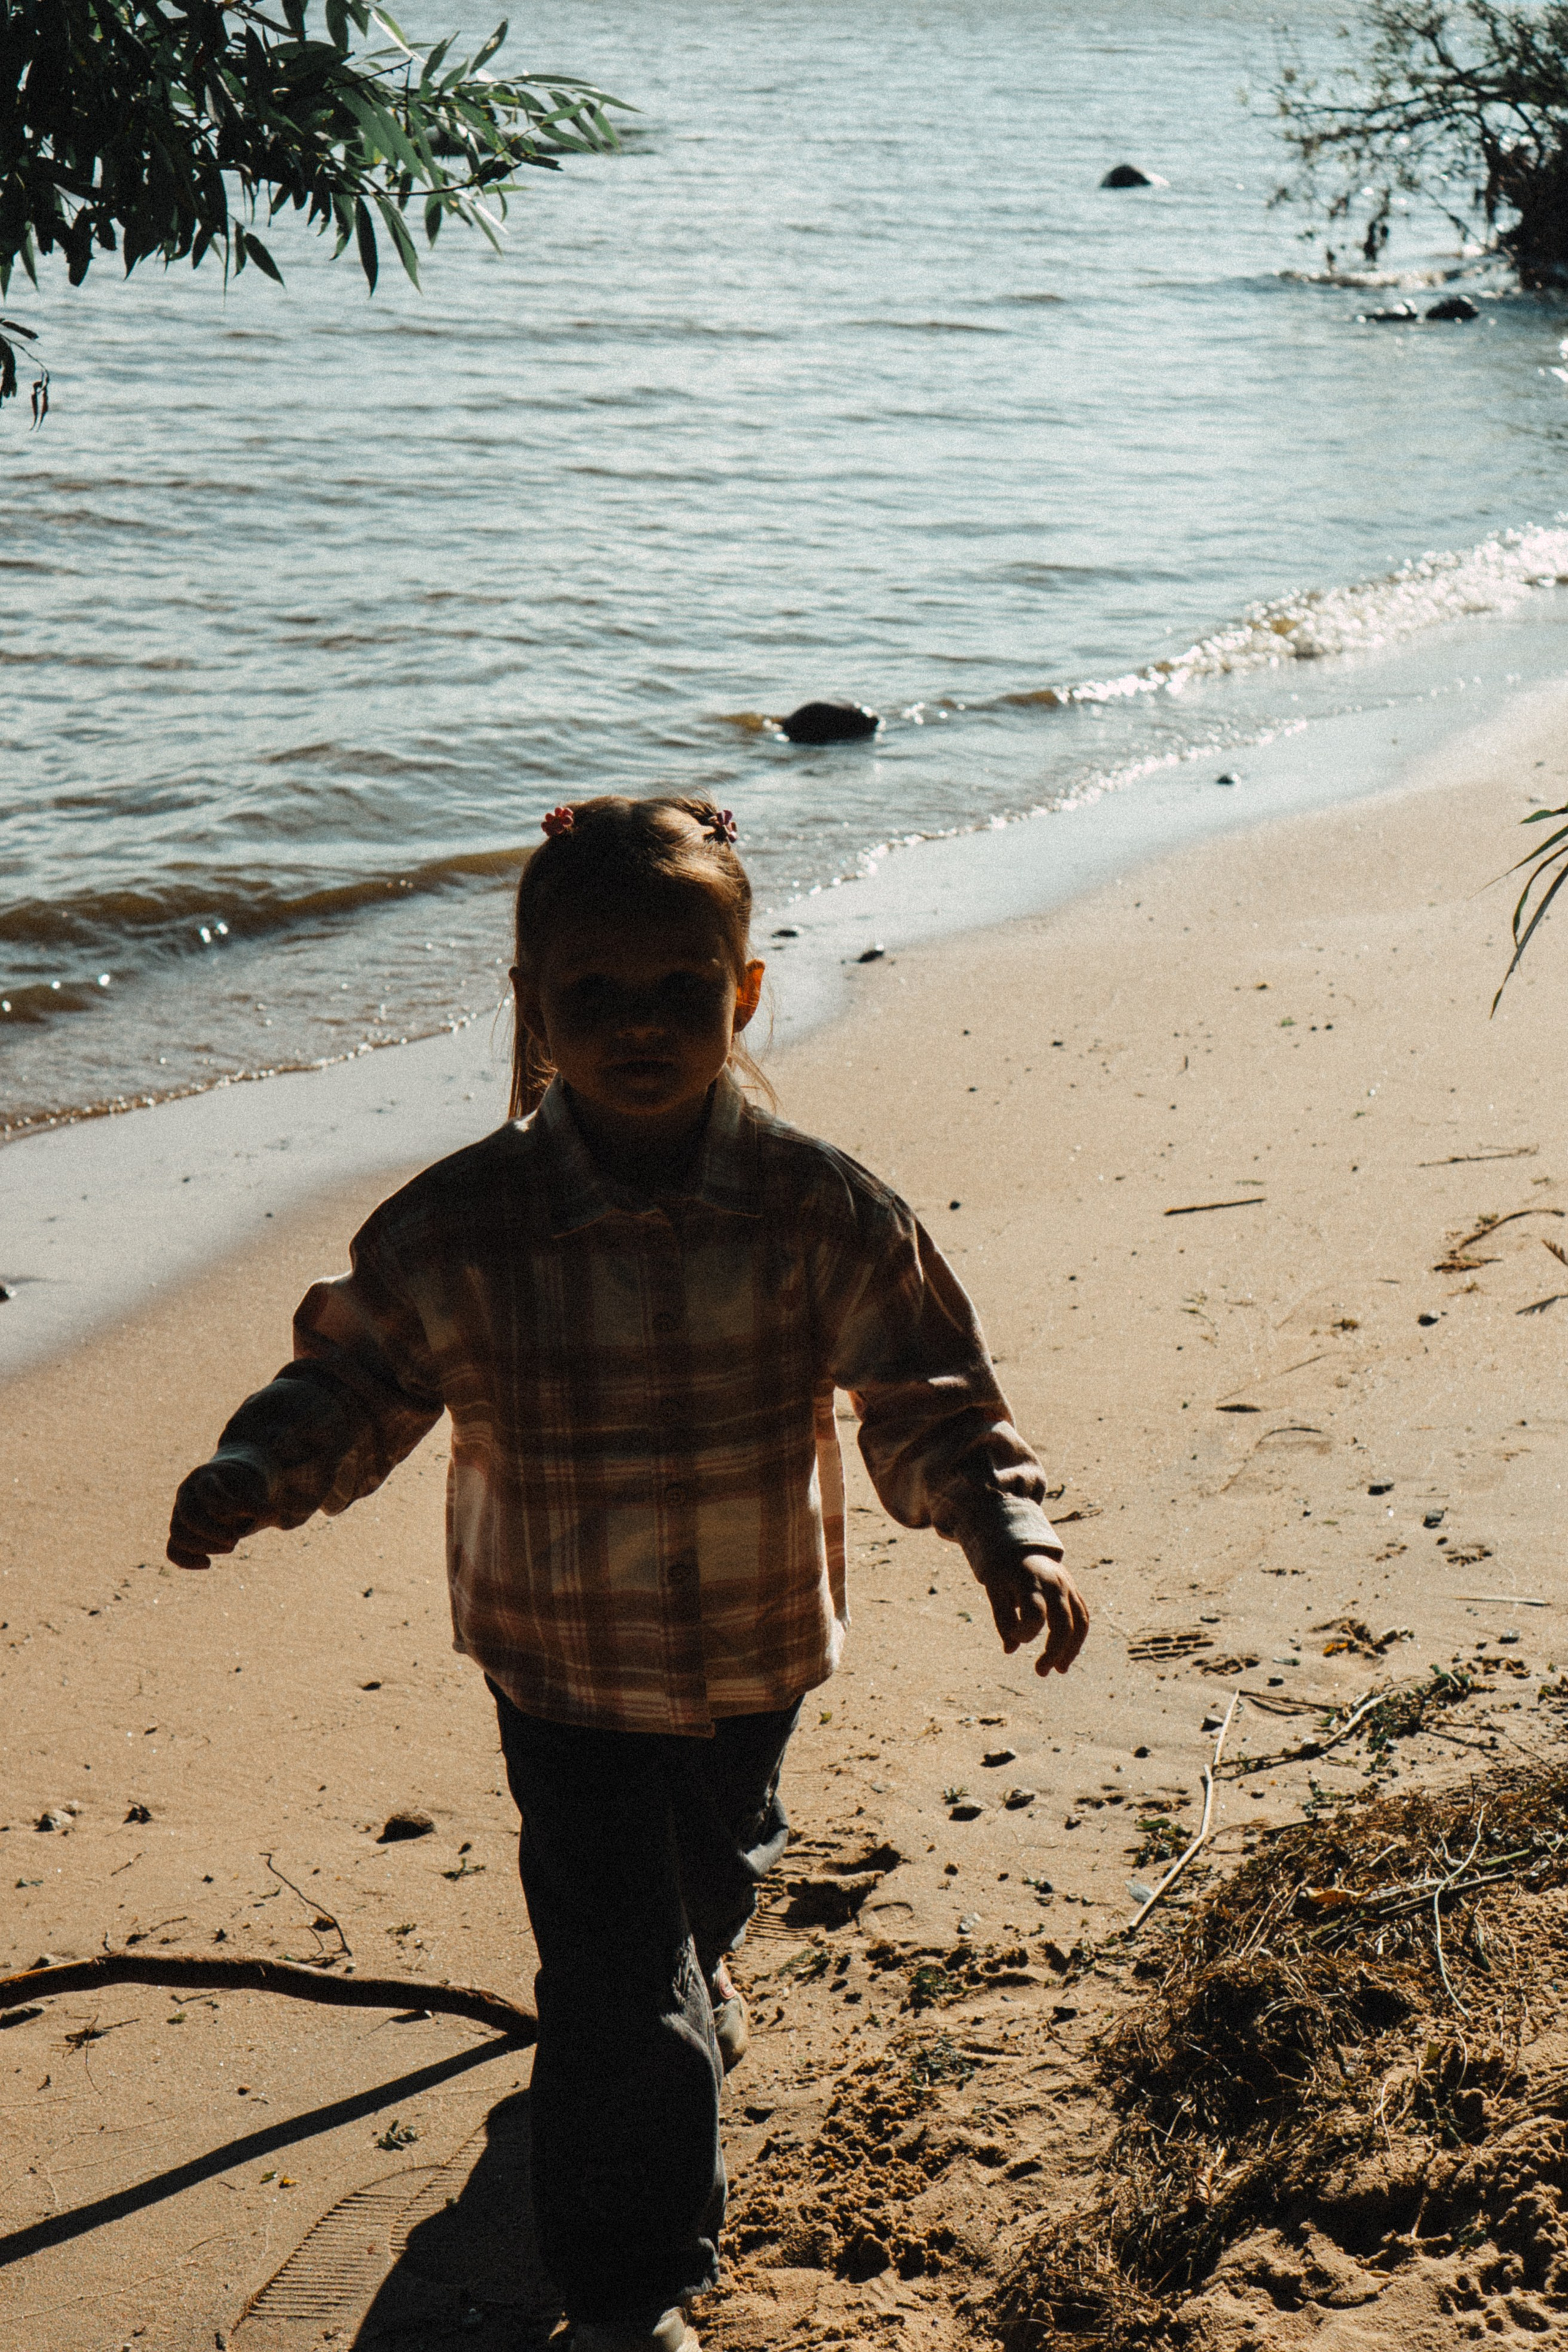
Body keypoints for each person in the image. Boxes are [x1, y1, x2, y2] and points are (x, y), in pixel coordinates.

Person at [166, 794, 1089, 2351]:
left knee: (714, 1872)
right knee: (609, 1975)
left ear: (740, 992)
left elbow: (923, 1391)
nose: (637, 1025)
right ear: (531, 1008)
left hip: (752, 1640)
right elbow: (359, 1375)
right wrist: (259, 1471)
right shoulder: (466, 1221)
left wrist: (1004, 1527)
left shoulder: (819, 1207)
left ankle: (694, 1965)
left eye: (678, 990)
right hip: (560, 1658)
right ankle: (625, 2285)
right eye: (590, 994)